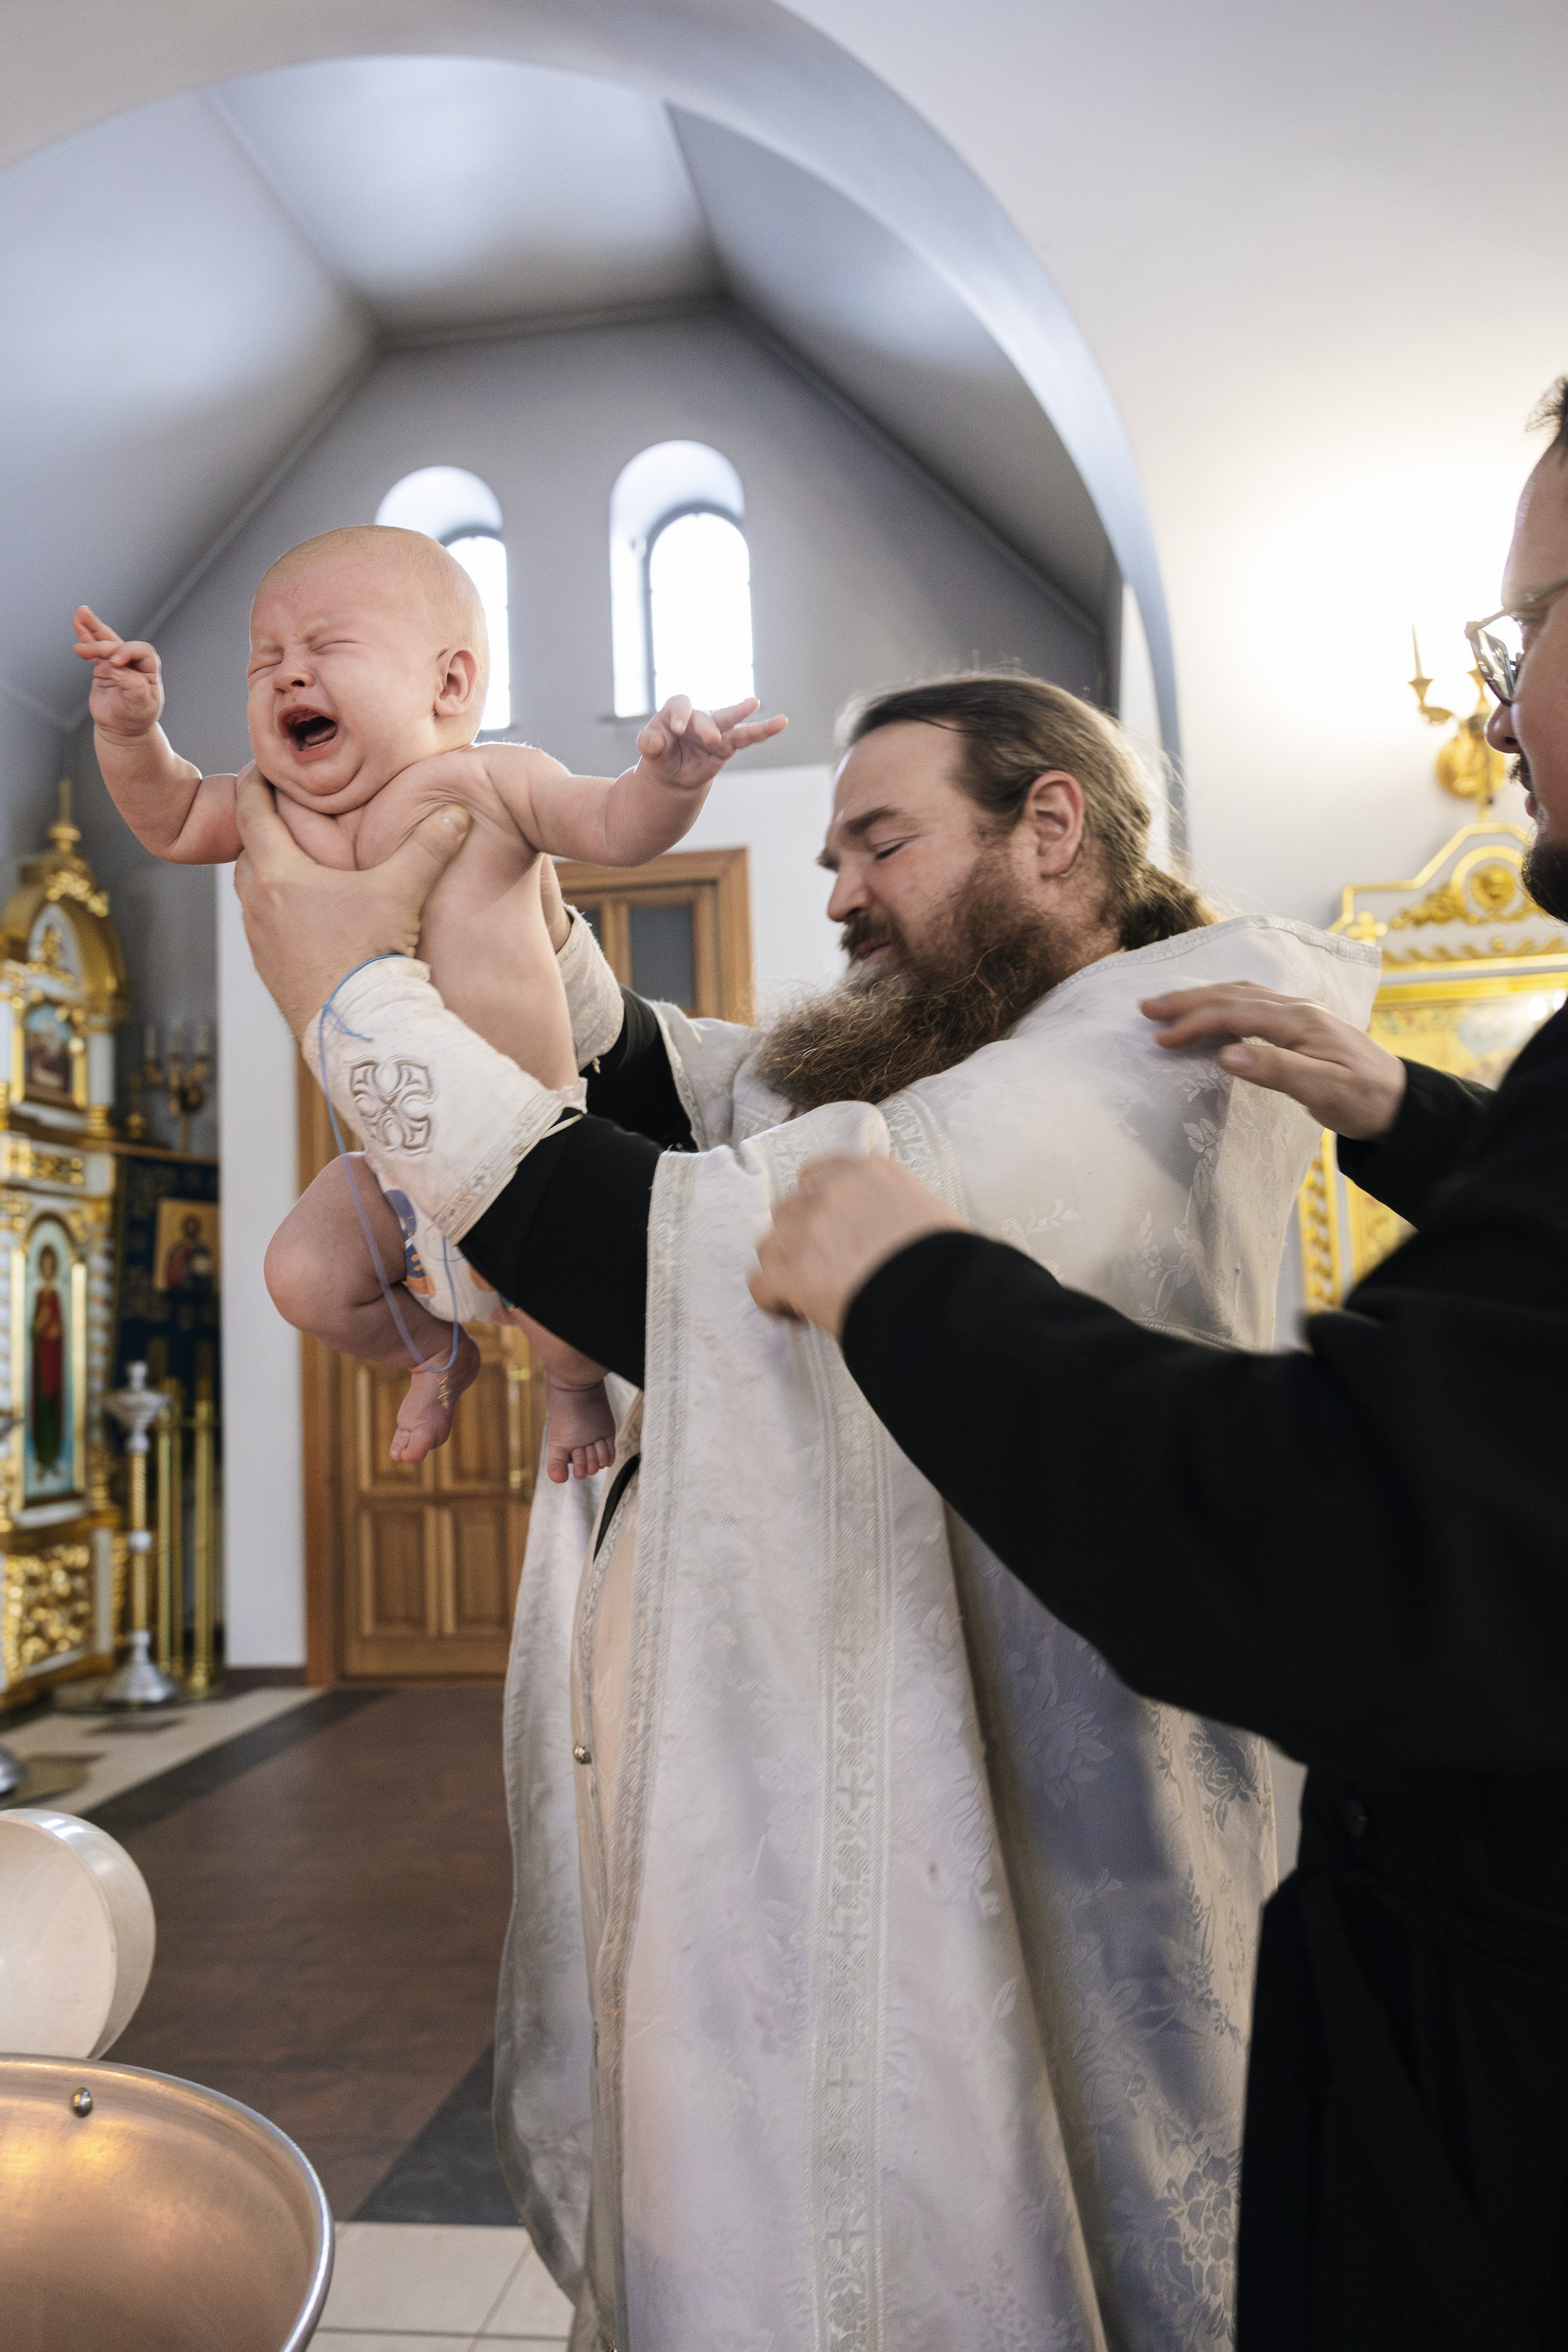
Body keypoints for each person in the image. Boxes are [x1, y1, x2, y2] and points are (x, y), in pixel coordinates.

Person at [234, 666, 1377, 2351]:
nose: (839, 891)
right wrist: (513, 908)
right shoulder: (970, 1047)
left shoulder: (1134, 1061)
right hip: (848, 1792)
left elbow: (710, 1255)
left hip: (1031, 1830)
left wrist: (360, 1000)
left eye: (879, 843)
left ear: (1050, 826)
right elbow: (688, 1096)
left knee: (1012, 2215)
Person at [749, 380, 1568, 2352]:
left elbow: (1349, 1531)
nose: (1502, 706)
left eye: (1527, 629)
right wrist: (1427, 1121)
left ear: (1053, 827)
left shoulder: (1076, 1074)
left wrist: (910, 1279)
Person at [74, 531, 783, 1477]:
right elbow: (165, 818)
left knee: (566, 1320)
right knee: (302, 1277)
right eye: (266, 661)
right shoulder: (263, 806)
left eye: (325, 650)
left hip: (532, 1148)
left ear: (450, 685)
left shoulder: (496, 783)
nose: (288, 678)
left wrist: (670, 781)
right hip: (394, 1164)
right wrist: (131, 735)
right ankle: (435, 1351)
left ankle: (570, 1389)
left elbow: (615, 827)